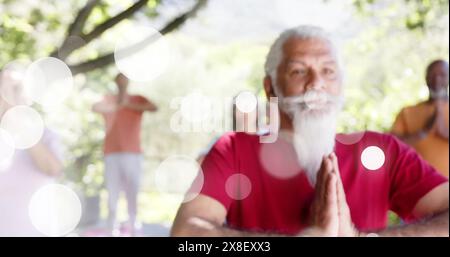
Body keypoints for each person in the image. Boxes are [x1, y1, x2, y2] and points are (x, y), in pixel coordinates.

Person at [171, 25, 449, 237]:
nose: (316, 84)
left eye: (328, 71)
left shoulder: (385, 152)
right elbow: (188, 233)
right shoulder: (233, 150)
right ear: (270, 88)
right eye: (298, 72)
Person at [0, 68, 64, 236]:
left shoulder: (45, 134)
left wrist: (14, 117)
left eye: (15, 91)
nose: (9, 98)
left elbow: (53, 169)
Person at [92, 73, 157, 236]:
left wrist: (128, 105)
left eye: (124, 80)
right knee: (112, 193)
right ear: (116, 82)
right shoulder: (108, 98)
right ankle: (110, 229)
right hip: (111, 153)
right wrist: (117, 106)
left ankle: (134, 227)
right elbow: (95, 107)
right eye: (119, 80)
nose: (122, 83)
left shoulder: (137, 99)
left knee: (132, 191)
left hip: (132, 153)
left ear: (128, 82)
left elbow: (154, 108)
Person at [391, 60, 449, 177]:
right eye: (432, 75)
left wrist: (445, 133)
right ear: (426, 78)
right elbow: (392, 146)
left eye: (442, 75)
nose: (437, 80)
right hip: (418, 184)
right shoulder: (407, 112)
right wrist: (423, 132)